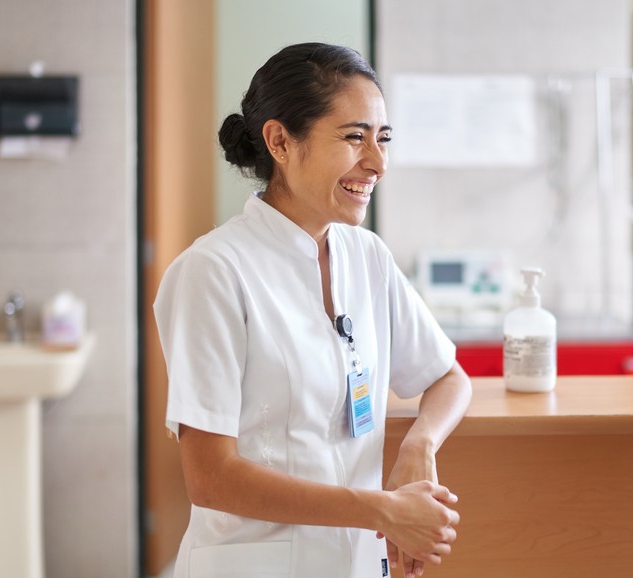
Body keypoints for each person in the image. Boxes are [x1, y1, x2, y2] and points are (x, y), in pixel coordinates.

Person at [154, 42, 472, 578]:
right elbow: (210, 478)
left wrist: (420, 444)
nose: (376, 162)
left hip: (356, 564)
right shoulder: (213, 270)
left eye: (383, 138)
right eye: (354, 138)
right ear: (279, 141)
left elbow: (448, 377)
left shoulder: (366, 255)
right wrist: (382, 510)